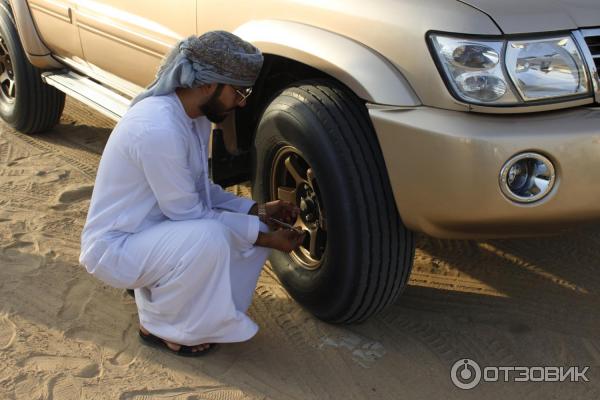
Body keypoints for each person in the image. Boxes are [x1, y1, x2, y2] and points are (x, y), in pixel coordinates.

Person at [79, 31, 305, 357]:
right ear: (208, 85)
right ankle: (158, 326)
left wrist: (258, 211)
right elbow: (193, 217)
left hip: (151, 232)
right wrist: (267, 240)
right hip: (116, 247)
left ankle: (165, 291)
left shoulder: (193, 118)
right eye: (239, 92)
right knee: (209, 239)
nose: (242, 102)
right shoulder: (159, 129)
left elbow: (202, 193)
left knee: (246, 228)